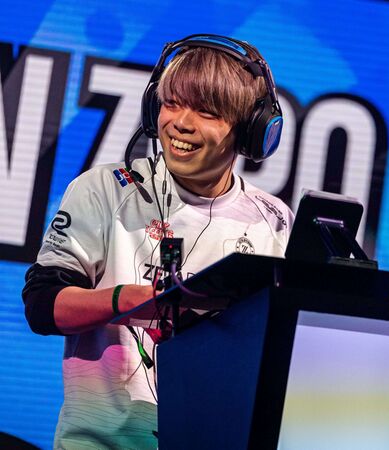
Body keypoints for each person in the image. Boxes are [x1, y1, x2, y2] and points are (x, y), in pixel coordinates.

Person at [22, 34, 293, 450]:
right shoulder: (105, 190)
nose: (181, 123)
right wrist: (128, 301)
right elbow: (42, 306)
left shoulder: (273, 221)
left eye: (206, 111)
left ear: (250, 131)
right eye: (172, 103)